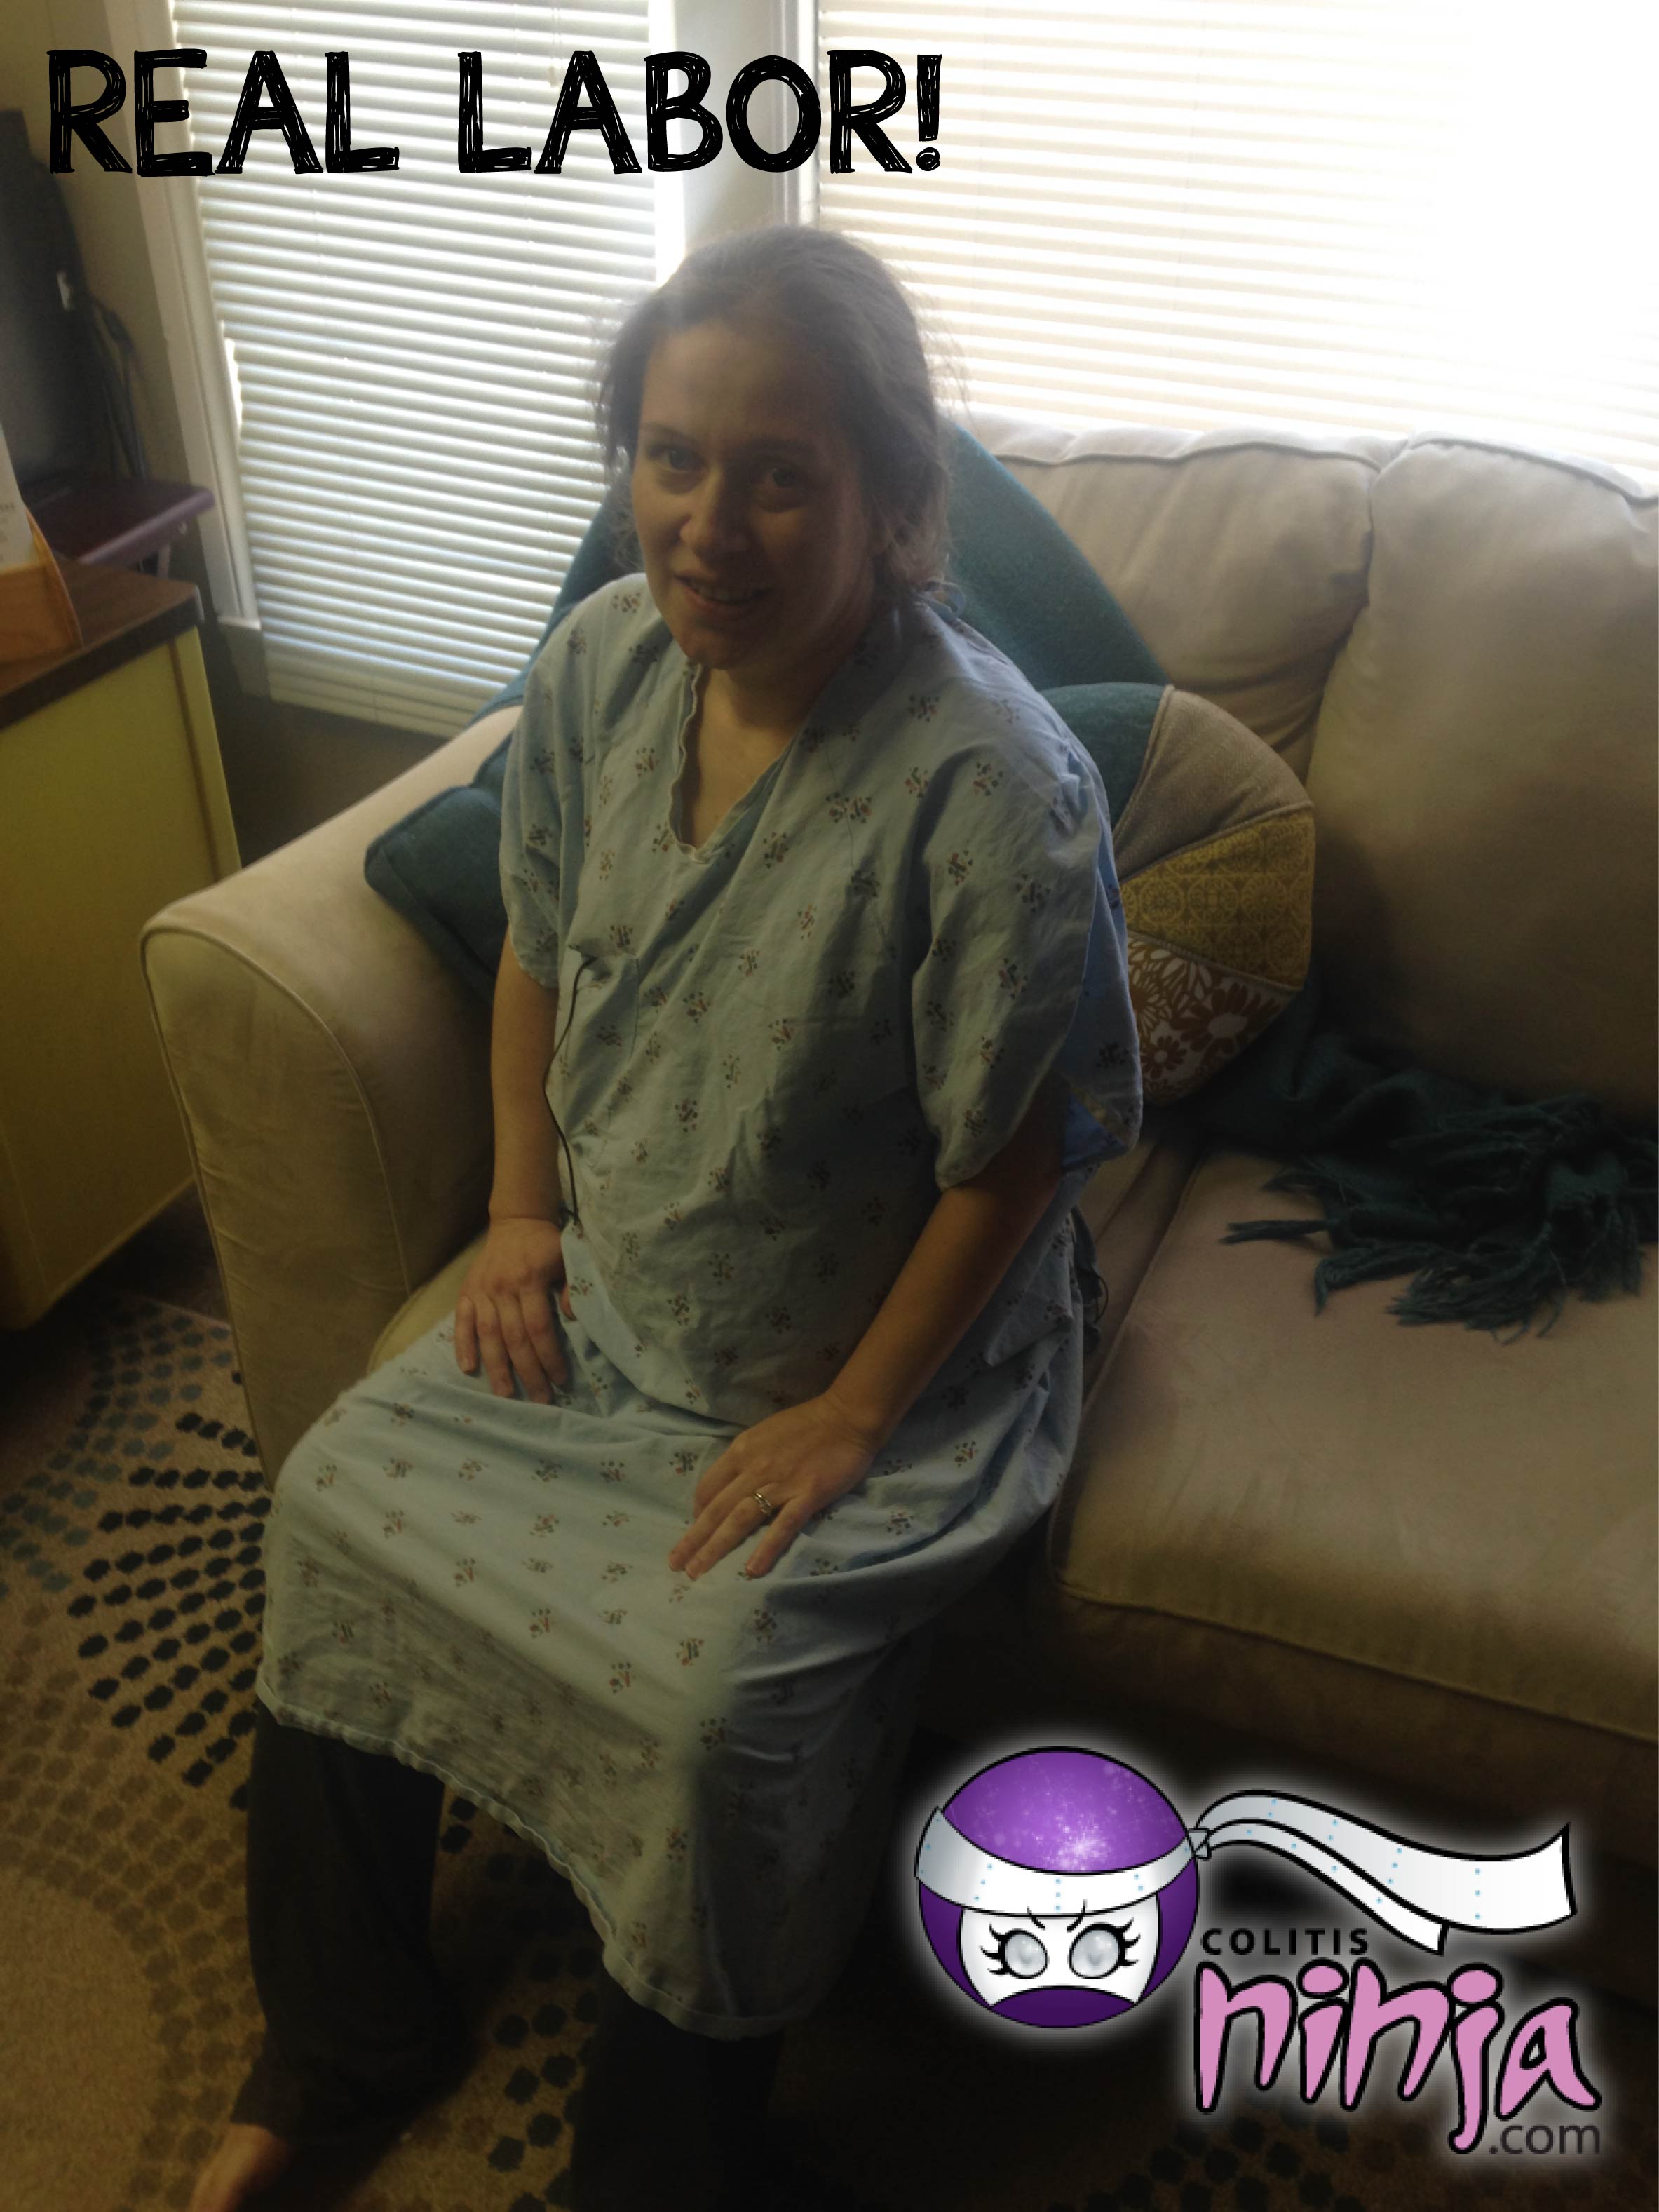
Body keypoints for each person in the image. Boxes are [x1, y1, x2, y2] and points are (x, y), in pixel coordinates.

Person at [189, 224, 1142, 2212]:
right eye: (672, 456)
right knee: (331, 1505)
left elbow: (1014, 1157)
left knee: (718, 1729)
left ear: (891, 499)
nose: (711, 522)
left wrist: (853, 1416)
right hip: (615, 1288)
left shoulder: (995, 788)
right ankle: (348, 2042)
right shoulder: (601, 664)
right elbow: (537, 947)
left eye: (780, 473)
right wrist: (519, 1210)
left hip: (875, 1361)